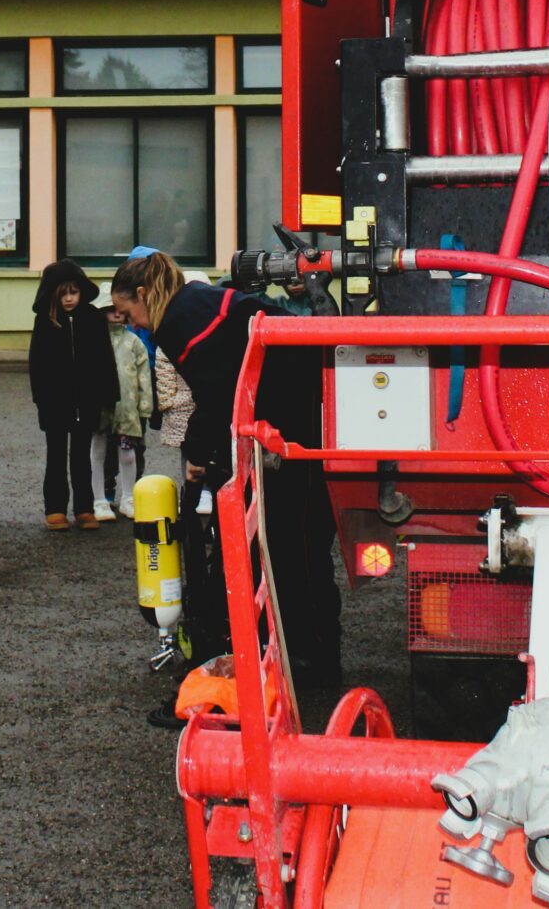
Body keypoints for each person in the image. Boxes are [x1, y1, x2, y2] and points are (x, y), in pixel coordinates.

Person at [125, 251, 342, 688]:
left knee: (283, 550)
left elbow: (218, 392)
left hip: (286, 433)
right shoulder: (203, 300)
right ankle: (315, 653)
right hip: (307, 415)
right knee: (306, 548)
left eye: (130, 312)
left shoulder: (179, 321)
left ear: (145, 295)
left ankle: (304, 661)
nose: (135, 324)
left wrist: (198, 455)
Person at [29, 260, 118, 530]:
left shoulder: (92, 318)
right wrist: (41, 399)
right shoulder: (45, 321)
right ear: (53, 292)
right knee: (55, 456)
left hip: (87, 400)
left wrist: (109, 395)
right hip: (55, 402)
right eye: (63, 292)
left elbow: (105, 359)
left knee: (82, 457)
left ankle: (84, 508)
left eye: (74, 292)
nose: (69, 298)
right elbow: (37, 364)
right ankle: (55, 509)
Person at [97, 289, 156, 523]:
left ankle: (129, 497)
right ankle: (99, 497)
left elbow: (144, 376)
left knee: (128, 453)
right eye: (110, 310)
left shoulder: (134, 342)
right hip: (101, 409)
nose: (116, 314)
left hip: (128, 410)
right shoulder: (96, 340)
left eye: (118, 309)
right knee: (98, 453)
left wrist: (145, 407)